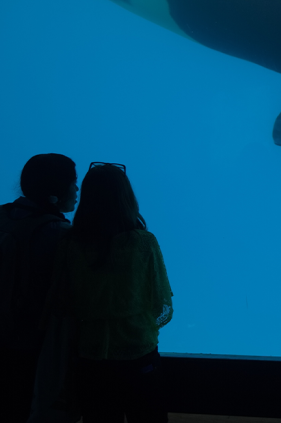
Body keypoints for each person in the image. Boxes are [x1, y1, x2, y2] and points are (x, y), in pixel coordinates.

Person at [52, 162, 173, 423]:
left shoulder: (69, 245)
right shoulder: (143, 242)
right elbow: (160, 304)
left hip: (90, 357)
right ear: (126, 198)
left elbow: (62, 301)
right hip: (139, 353)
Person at [0, 153, 78, 423]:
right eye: (73, 183)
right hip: (23, 348)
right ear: (56, 189)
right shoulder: (58, 232)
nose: (76, 190)